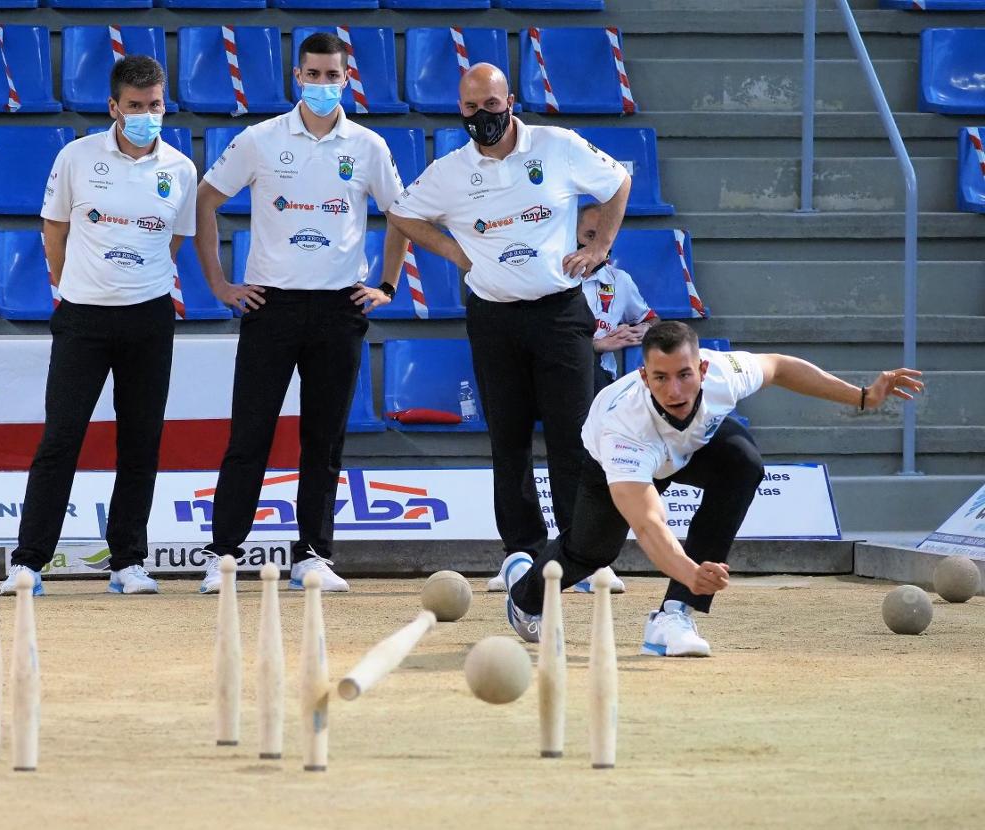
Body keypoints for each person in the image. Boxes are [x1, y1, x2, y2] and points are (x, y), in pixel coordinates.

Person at [501, 321, 924, 655]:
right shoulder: (623, 429)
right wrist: (691, 571)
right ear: (644, 377)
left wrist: (863, 397)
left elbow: (778, 366)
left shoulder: (723, 374)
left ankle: (674, 614)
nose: (675, 390)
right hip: (615, 460)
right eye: (661, 378)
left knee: (742, 464)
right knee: (592, 552)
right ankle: (524, 594)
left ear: (702, 368)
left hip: (691, 447)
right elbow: (649, 525)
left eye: (685, 375)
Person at [387, 64, 633, 599]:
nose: (482, 118)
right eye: (470, 109)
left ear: (511, 100)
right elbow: (403, 213)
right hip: (494, 318)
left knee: (577, 439)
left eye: (491, 106)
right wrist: (456, 252)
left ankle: (583, 554)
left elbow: (618, 183)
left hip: (561, 314)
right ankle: (520, 551)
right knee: (509, 440)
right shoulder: (450, 170)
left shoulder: (558, 145)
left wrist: (599, 249)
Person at [193, 32, 407, 594]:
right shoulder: (260, 139)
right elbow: (206, 198)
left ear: (346, 78)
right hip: (270, 305)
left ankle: (312, 555)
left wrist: (386, 283)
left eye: (331, 75)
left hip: (340, 308)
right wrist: (219, 282)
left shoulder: (368, 146)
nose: (321, 84)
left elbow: (401, 214)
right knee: (250, 435)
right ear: (296, 77)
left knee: (324, 439)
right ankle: (222, 555)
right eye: (312, 75)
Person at [0, 56, 197, 597]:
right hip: (82, 318)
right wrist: (77, 288)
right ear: (114, 107)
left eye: (154, 106)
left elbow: (171, 242)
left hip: (150, 318)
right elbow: (53, 231)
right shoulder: (76, 157)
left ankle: (128, 561)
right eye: (135, 107)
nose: (146, 115)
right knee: (61, 439)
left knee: (140, 442)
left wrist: (135, 284)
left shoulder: (181, 168)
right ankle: (29, 562)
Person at [577, 204, 658, 394]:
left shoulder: (619, 280)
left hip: (597, 376)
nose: (596, 246)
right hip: (553, 371)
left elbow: (650, 319)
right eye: (590, 236)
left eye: (603, 238)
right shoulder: (552, 279)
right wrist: (595, 346)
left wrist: (644, 329)